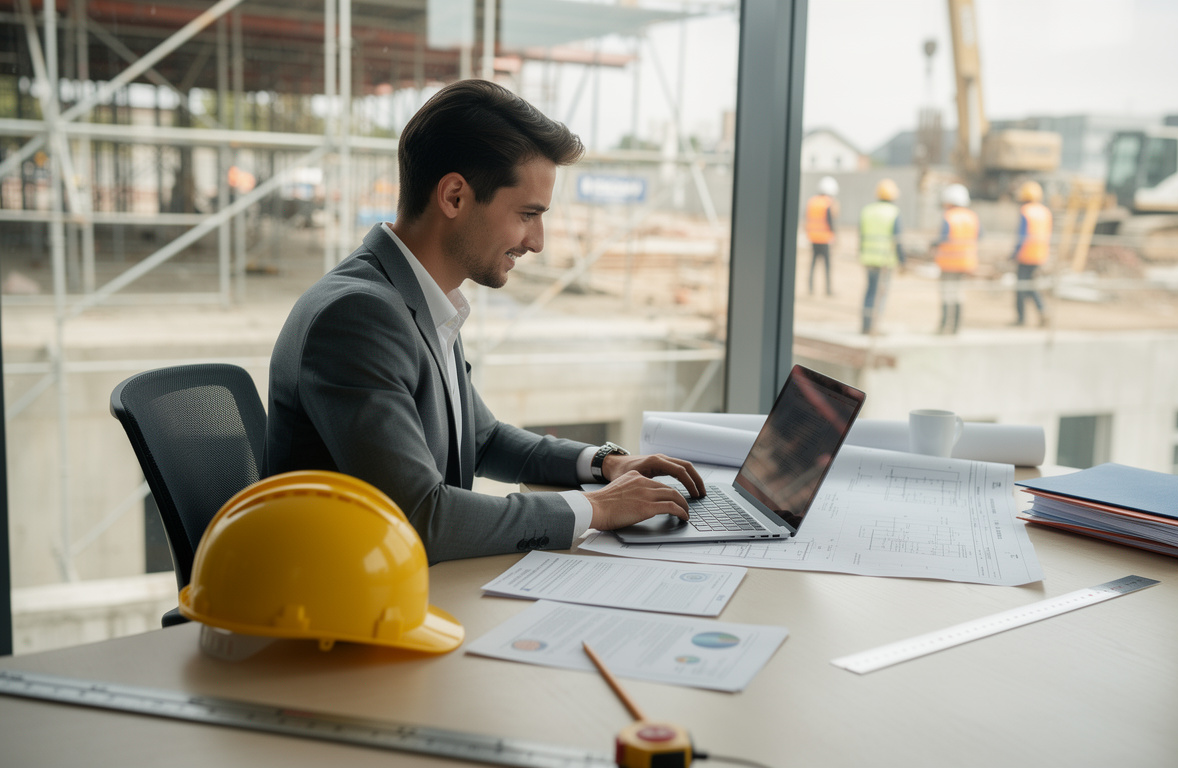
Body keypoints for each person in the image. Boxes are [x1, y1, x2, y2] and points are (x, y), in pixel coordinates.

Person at [266, 80, 705, 563]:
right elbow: (421, 518)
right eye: (528, 214)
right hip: (335, 596)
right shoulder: (358, 317)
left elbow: (482, 438)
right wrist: (596, 508)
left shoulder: (421, 296)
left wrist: (605, 463)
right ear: (454, 196)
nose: (537, 242)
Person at [858, 179, 903, 334]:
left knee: (870, 291)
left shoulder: (867, 210)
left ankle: (865, 324)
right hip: (885, 260)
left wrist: (861, 253)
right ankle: (874, 327)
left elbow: (861, 235)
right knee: (880, 294)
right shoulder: (893, 212)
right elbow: (897, 240)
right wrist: (902, 261)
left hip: (868, 258)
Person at [933, 183, 979, 334]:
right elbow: (979, 235)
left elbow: (943, 237)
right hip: (966, 262)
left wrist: (932, 244)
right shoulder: (971, 216)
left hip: (949, 263)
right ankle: (956, 327)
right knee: (959, 294)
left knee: (947, 294)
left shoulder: (949, 216)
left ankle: (945, 326)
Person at [1010, 180, 1051, 326]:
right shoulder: (1045, 211)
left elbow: (1022, 235)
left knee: (1021, 287)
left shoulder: (1026, 211)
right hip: (1040, 254)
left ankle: (1021, 318)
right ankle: (1042, 310)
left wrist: (1014, 253)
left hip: (1026, 255)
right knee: (1030, 285)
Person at [804, 176, 839, 295]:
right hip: (824, 238)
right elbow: (830, 221)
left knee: (813, 264)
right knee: (827, 265)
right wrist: (835, 236)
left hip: (813, 237)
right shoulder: (827, 203)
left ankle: (810, 287)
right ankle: (828, 289)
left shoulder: (812, 201)